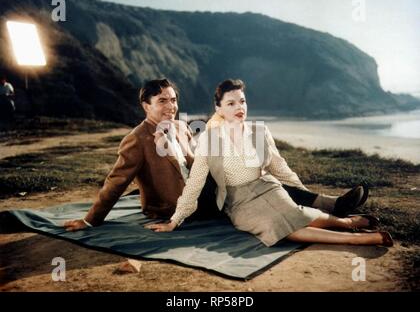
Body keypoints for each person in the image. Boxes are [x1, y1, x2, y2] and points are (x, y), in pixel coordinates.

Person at [65, 78, 369, 232]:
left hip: (202, 191)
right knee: (251, 183)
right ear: (146, 105)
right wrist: (91, 221)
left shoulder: (183, 126)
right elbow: (115, 182)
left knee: (255, 176)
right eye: (162, 101)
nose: (170, 106)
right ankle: (332, 209)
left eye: (173, 99)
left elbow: (196, 164)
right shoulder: (137, 139)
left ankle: (328, 204)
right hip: (175, 205)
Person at [146, 79, 393, 247]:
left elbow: (279, 167)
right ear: (218, 108)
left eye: (241, 101)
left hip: (266, 186)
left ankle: (346, 221)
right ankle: (357, 235)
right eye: (230, 103)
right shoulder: (210, 139)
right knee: (279, 227)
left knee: (297, 214)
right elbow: (196, 181)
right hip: (237, 201)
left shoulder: (259, 131)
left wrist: (303, 192)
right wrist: (175, 220)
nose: (239, 107)